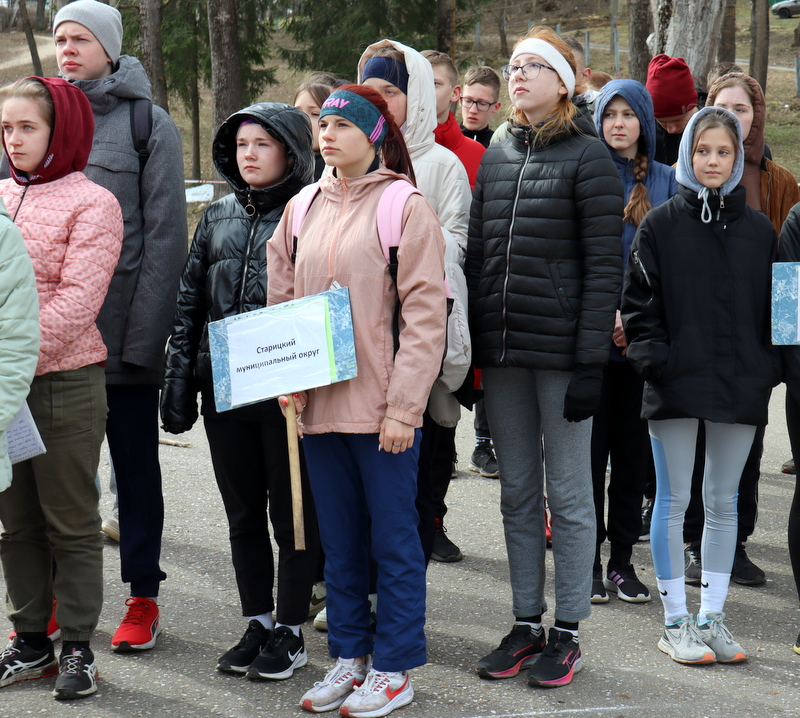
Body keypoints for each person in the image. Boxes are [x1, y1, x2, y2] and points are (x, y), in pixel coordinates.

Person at [268, 84, 446, 718]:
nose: (327, 133)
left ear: (372, 137)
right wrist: (284, 380)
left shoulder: (405, 206)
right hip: (317, 412)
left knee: (394, 543)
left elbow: (427, 316)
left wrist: (404, 408)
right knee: (339, 543)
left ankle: (395, 668)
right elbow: (282, 300)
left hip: (382, 415)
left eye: (342, 124)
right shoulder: (301, 207)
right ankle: (350, 657)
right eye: (322, 123)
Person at [466, 27, 623, 688]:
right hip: (504, 355)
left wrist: (590, 364)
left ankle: (570, 629)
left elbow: (603, 269)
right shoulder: (498, 150)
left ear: (563, 81)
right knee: (518, 493)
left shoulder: (589, 157)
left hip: (563, 358)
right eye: (514, 65)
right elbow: (478, 254)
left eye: (534, 66)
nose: (519, 74)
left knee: (571, 493)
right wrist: (471, 350)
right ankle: (527, 621)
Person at [160, 102, 320, 680]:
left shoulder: (312, 212)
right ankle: (257, 620)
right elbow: (190, 303)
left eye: (263, 144)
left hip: (288, 397)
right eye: (242, 145)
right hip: (224, 389)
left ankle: (291, 628)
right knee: (243, 513)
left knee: (294, 515)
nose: (249, 154)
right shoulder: (218, 214)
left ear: (292, 151)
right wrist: (179, 381)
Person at [51, 0, 188, 651]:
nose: (67, 48)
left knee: (134, 475)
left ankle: (142, 597)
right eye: (59, 38)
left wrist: (142, 344)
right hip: (50, 348)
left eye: (80, 38)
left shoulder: (147, 124)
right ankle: (56, 597)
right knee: (54, 480)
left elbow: (164, 241)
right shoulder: (38, 120)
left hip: (118, 344)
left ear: (109, 46)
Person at [621, 106, 779, 665]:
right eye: (703, 150)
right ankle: (675, 621)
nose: (713, 161)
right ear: (687, 153)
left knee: (723, 502)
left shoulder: (762, 230)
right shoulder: (660, 224)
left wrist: (769, 368)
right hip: (675, 385)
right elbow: (639, 307)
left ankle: (711, 616)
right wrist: (656, 362)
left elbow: (783, 312)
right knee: (671, 502)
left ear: (738, 159)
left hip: (739, 387)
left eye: (724, 152)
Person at [0, 76, 123, 699]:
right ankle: (29, 644)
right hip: (3, 390)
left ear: (60, 131)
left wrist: (9, 354)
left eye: (28, 127)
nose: (14, 140)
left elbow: (77, 303)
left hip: (62, 384)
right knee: (14, 523)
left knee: (71, 523)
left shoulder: (92, 203)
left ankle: (77, 647)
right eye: (6, 128)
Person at [680, 72, 800, 587]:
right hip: (698, 333)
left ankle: (737, 540)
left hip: (755, 333)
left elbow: (786, 271)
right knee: (695, 443)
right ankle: (692, 540)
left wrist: (778, 350)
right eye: (725, 106)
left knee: (746, 446)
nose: (736, 116)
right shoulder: (689, 174)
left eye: (745, 109)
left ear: (757, 116)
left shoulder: (782, 183)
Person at [357, 39, 471, 564]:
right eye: (370, 90)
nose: (379, 101)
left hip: (419, 334)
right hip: (362, 337)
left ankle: (404, 586)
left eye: (391, 91)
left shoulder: (443, 165)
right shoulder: (352, 157)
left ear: (417, 96)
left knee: (418, 467)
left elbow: (457, 240)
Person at [590, 79, 678, 605]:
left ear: (643, 122)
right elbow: (579, 258)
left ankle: (622, 559)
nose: (618, 123)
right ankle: (588, 559)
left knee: (631, 456)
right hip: (593, 343)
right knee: (587, 458)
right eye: (609, 114)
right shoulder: (588, 175)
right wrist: (606, 314)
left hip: (641, 343)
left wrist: (635, 316)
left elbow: (670, 261)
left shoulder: (667, 181)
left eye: (628, 114)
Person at [421, 50, 485, 189]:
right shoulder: (393, 152)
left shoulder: (477, 155)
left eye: (434, 83)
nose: (424, 89)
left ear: (455, 93)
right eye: (418, 82)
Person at [294, 72, 349, 181]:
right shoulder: (282, 164)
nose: (303, 119)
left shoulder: (340, 172)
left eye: (315, 114)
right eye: (296, 112)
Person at [645, 54, 699, 165]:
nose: (671, 130)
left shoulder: (712, 128)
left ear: (692, 107)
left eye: (677, 120)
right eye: (661, 122)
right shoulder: (644, 133)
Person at [459, 66, 502, 147]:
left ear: (496, 107)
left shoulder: (499, 147)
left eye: (482, 103)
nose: (473, 110)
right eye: (468, 101)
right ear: (460, 100)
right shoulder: (444, 140)